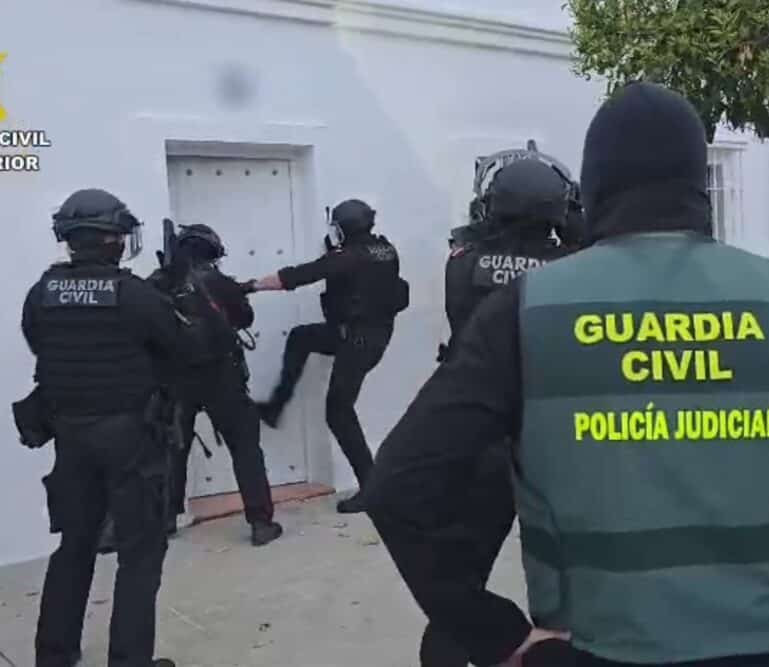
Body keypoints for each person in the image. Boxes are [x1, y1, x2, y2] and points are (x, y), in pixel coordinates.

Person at [364, 82, 769, 667]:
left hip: (593, 649)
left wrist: (494, 634)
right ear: (697, 186)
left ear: (594, 189)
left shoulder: (523, 314)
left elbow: (397, 486)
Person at [422, 157, 578, 667]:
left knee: (462, 582)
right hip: (552, 439)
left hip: (481, 437)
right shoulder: (575, 266)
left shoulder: (463, 261)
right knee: (570, 585)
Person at [23, 188, 183, 667]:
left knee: (74, 545)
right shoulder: (135, 294)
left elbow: (39, 343)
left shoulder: (42, 292)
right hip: (130, 437)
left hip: (70, 435)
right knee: (139, 553)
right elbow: (179, 348)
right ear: (113, 239)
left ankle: (54, 656)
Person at [249, 199, 408, 514]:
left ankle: (372, 488)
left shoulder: (347, 257)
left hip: (358, 341)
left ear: (345, 227)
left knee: (338, 411)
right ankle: (275, 406)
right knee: (301, 337)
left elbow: (299, 275)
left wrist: (250, 286)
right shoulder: (385, 249)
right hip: (368, 335)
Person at [149, 223, 283, 547]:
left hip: (176, 378)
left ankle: (166, 519)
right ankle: (260, 522)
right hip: (222, 376)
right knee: (245, 447)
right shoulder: (219, 282)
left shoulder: (159, 282)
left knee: (173, 448)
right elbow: (245, 319)